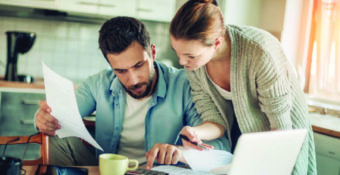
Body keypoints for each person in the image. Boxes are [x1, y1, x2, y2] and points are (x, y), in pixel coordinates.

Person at [35, 16, 228, 169]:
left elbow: (221, 149)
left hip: (157, 171)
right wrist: (45, 119)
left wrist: (181, 152)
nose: (133, 80)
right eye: (121, 71)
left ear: (152, 53)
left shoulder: (185, 85)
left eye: (138, 65)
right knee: (54, 137)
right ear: (111, 66)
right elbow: (61, 115)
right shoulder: (98, 83)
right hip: (106, 169)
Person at [169, 0, 317, 174]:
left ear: (216, 43)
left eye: (190, 56)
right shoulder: (195, 66)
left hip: (284, 131)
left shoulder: (260, 52)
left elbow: (281, 130)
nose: (182, 62)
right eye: (177, 52)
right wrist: (196, 132)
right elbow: (215, 120)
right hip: (246, 136)